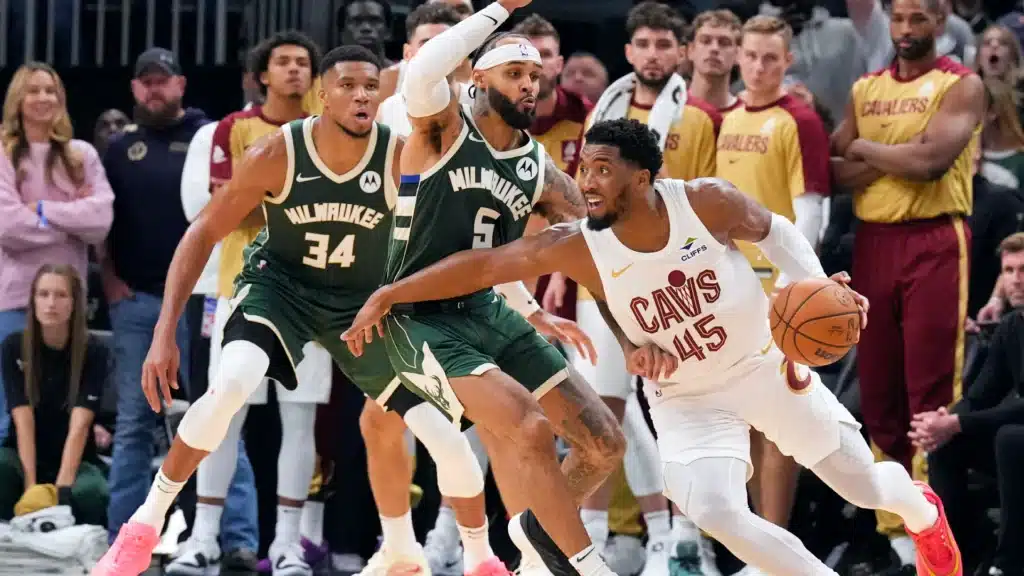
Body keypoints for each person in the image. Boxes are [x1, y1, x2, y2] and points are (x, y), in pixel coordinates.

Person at [343, 117, 965, 576]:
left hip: (763, 367)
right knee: (715, 509)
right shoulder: (576, 243)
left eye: (602, 169)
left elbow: (776, 234)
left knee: (864, 484)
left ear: (642, 178)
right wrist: (392, 293)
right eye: (584, 167)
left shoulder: (704, 203)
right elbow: (483, 265)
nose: (585, 181)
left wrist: (815, 284)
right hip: (686, 396)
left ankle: (922, 513)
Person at [350, 2, 629, 576]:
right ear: (477, 78)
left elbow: (599, 245)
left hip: (487, 308)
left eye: (535, 77)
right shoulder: (441, 125)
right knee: (520, 423)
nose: (529, 86)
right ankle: (577, 562)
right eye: (515, 74)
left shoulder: (539, 168)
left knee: (605, 444)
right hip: (411, 311)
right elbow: (425, 69)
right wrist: (498, 9)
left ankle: (531, 540)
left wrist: (635, 332)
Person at [165, 30, 324, 576]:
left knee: (299, 423)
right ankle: (202, 537)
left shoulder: (332, 134)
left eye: (303, 63)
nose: (294, 71)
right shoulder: (231, 130)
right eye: (283, 62)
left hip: (314, 297)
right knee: (222, 413)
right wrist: (287, 202)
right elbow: (219, 209)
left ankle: (287, 544)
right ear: (262, 74)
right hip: (243, 290)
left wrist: (263, 196)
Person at [832, 0, 984, 567]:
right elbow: (834, 168)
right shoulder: (864, 88)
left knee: (931, 385)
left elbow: (932, 163)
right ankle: (893, 528)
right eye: (899, 18)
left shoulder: (961, 86)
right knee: (878, 388)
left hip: (936, 239)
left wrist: (868, 149)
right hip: (874, 239)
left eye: (919, 18)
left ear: (940, 23)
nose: (907, 29)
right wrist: (900, 153)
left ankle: (935, 524)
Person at [0, 63, 114, 443]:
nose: (43, 98)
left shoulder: (81, 155)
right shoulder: (3, 153)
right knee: (9, 416)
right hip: (15, 301)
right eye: (33, 90)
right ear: (18, 99)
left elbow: (100, 221)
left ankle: (56, 497)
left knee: (63, 417)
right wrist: (71, 223)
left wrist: (43, 209)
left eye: (51, 91)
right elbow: (7, 226)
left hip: (69, 304)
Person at [912, 231, 1024, 575]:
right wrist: (944, 422)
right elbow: (981, 394)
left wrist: (958, 423)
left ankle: (1008, 565)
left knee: (1010, 439)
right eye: (1008, 271)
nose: (1016, 280)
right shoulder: (1010, 327)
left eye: (1023, 270)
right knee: (947, 446)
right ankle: (956, 560)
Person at [0, 264, 109, 526]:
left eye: (60, 295)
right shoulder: (14, 346)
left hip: (77, 459)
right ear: (33, 300)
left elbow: (80, 426)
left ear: (75, 303)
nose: (51, 303)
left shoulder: (94, 351)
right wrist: (31, 489)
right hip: (21, 454)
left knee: (93, 493)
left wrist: (60, 493)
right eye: (43, 294)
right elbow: (22, 420)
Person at [686, 9, 742, 117]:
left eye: (724, 43)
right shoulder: (668, 109)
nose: (714, 48)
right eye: (705, 41)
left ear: (738, 54)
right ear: (690, 50)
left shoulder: (747, 115)